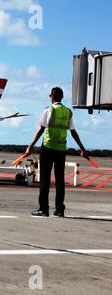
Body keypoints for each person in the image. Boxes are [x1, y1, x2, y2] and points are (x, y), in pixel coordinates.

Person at [25, 87, 88, 218]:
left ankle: (44, 209)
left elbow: (41, 130)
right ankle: (59, 210)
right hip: (61, 149)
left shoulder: (49, 110)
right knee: (60, 181)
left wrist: (30, 146)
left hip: (48, 148)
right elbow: (73, 132)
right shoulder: (68, 112)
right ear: (62, 97)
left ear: (52, 97)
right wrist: (82, 149)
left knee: (45, 180)